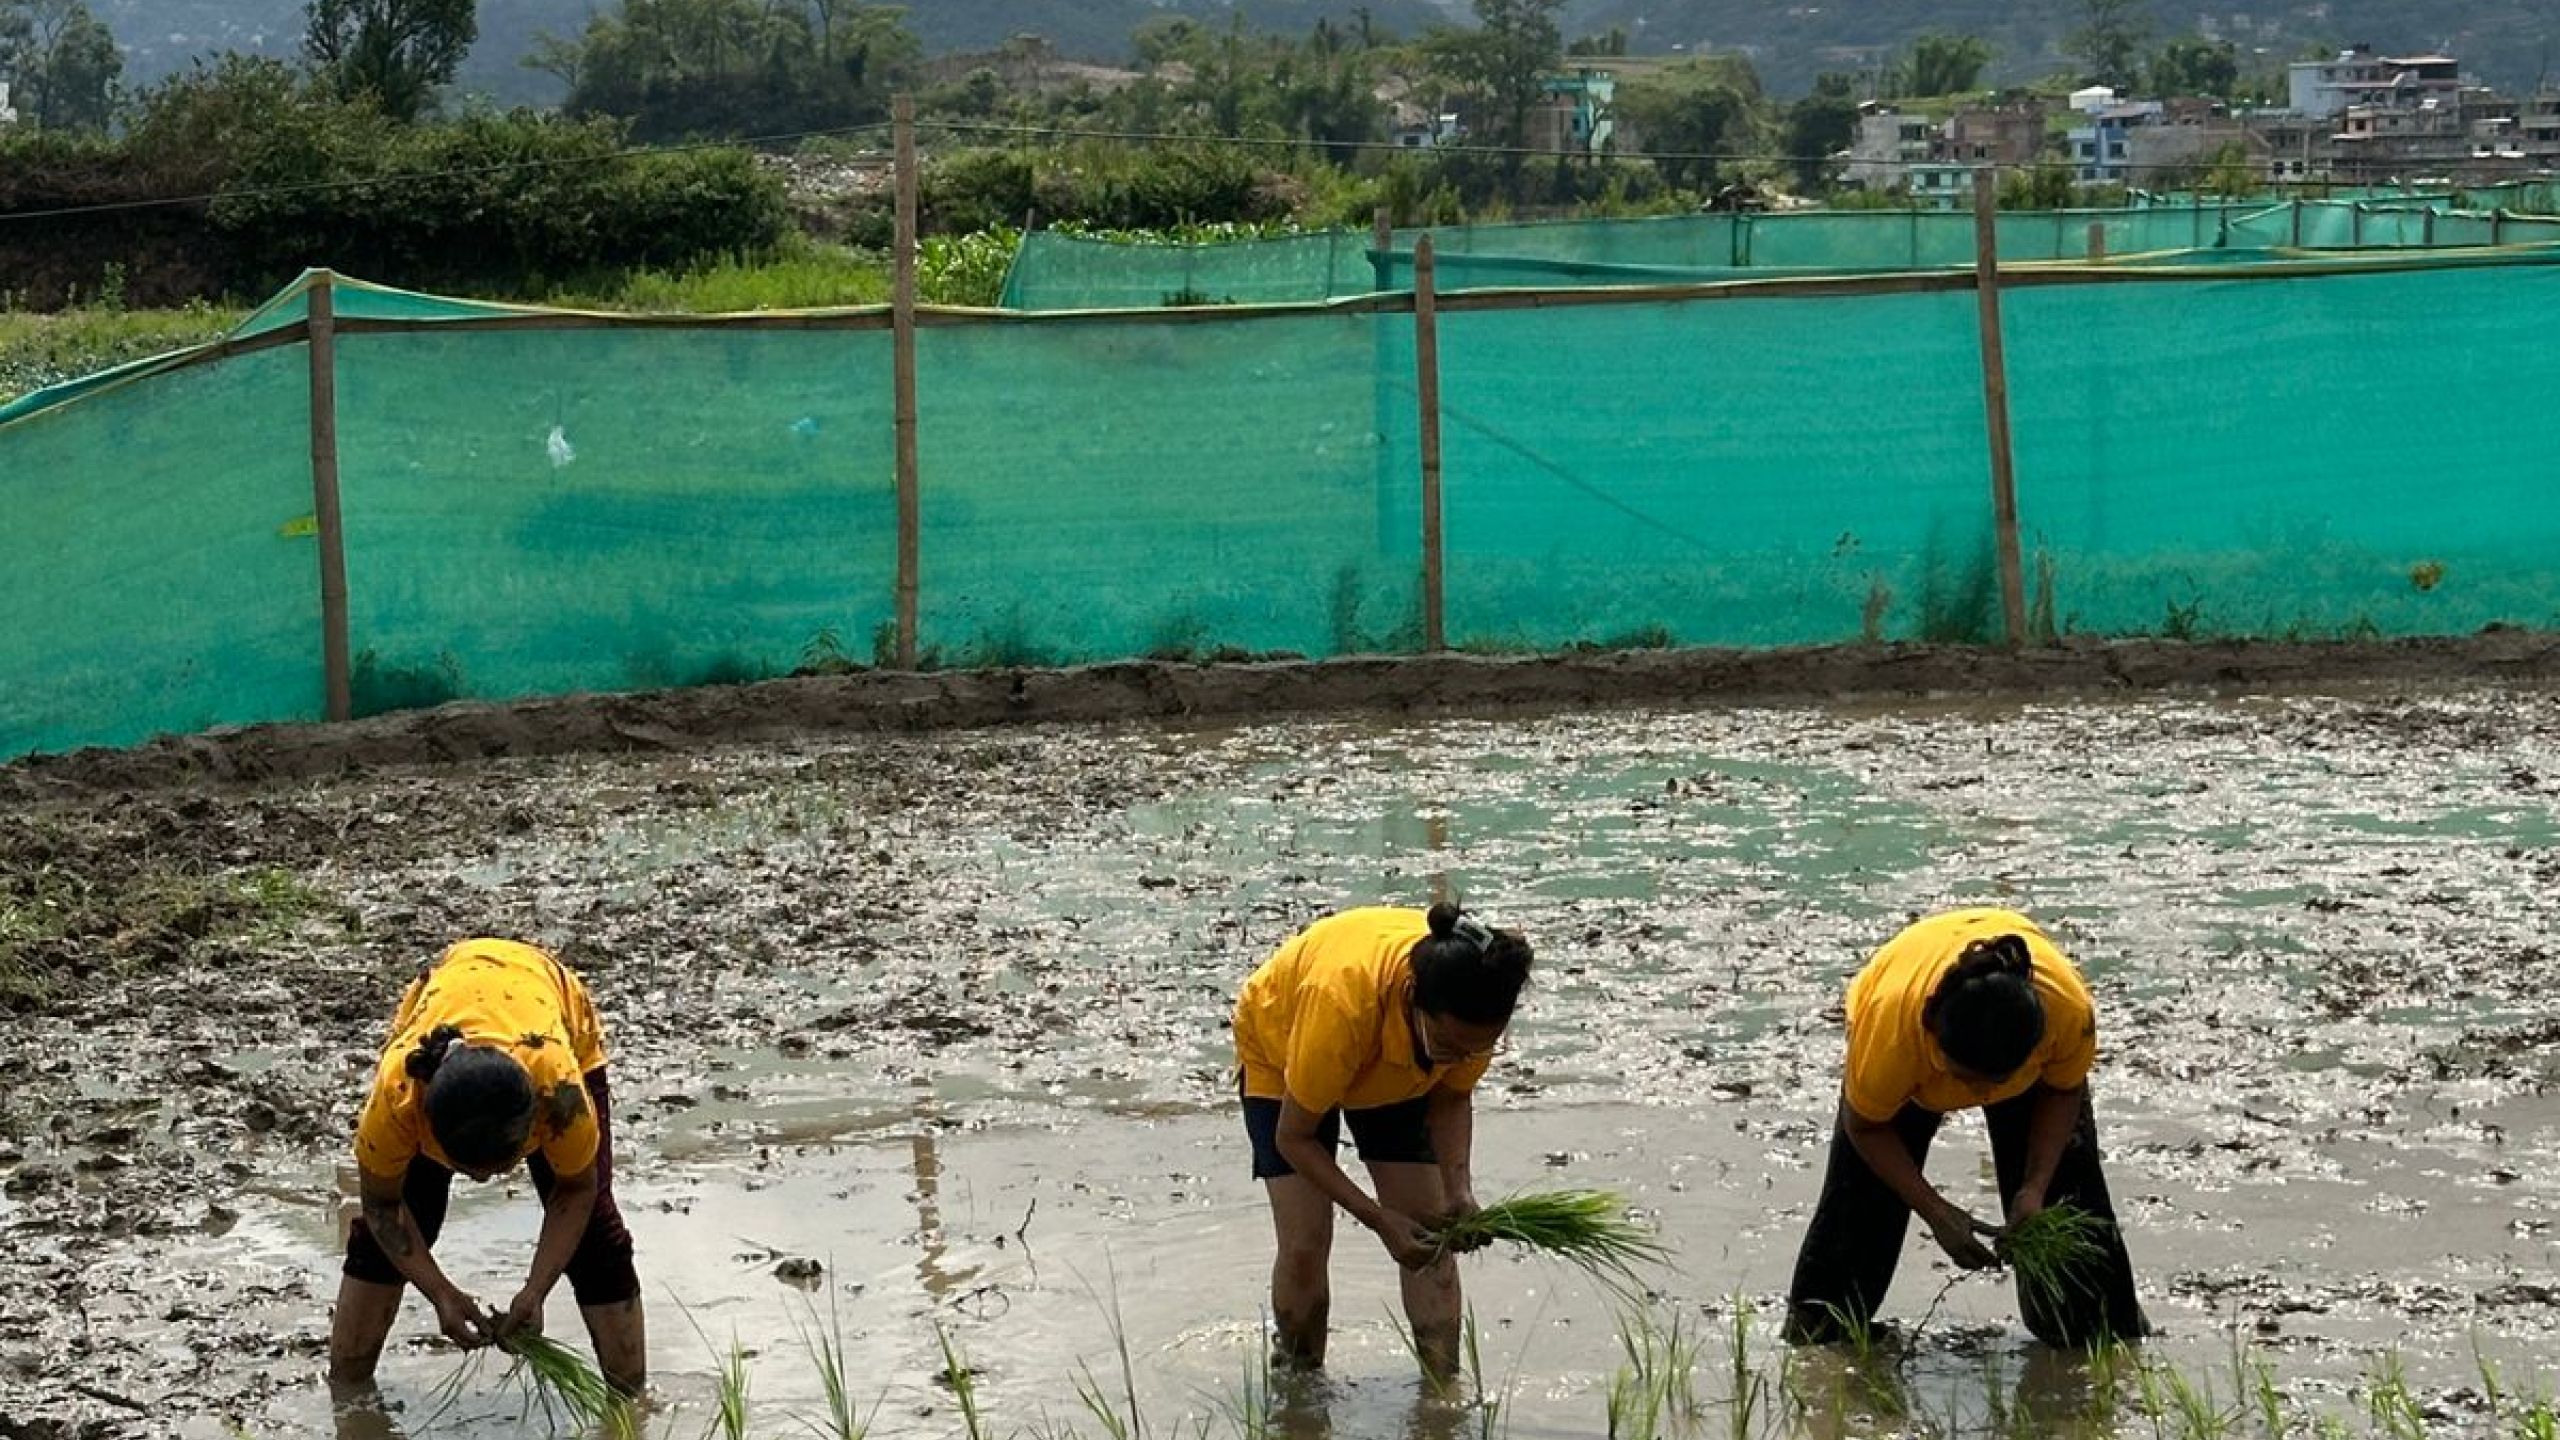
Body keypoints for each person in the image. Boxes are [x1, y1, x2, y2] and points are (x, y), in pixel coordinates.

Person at [1785, 908, 2147, 1347]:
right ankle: (1818, 1333)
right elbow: (1865, 1127)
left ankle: (2102, 1332)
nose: (1976, 1094)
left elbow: (2062, 1090)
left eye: (1991, 1084)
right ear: (1932, 1033)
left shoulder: (2065, 1010)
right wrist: (1935, 1211)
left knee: (2067, 1205)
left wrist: (2034, 1188)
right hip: (1910, 1059)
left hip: (2023, 1071)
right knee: (1858, 1208)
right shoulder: (1893, 1034)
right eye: (1965, 1079)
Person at [327, 939, 646, 1395]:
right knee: (399, 1226)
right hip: (449, 991)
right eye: (470, 1169)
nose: (482, 1181)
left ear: (534, 1125)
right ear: (429, 1130)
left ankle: (630, 1398)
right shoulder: (400, 1096)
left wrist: (536, 1290)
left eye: (503, 1166)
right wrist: (441, 1294)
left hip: (543, 997)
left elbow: (576, 1190)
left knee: (596, 1237)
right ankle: (347, 1390)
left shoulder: (559, 1092)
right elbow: (382, 1206)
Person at [1233, 902, 1534, 1380]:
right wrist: (1377, 1218)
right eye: (1450, 1046)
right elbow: (1295, 1138)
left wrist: (1459, 1192)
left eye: (1476, 1048)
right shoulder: (1339, 1003)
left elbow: (1452, 1100)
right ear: (1413, 998)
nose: (1461, 1058)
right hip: (1285, 1046)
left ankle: (1442, 1391)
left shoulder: (1473, 1007)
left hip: (1397, 1067)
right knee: (1305, 1240)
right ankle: (1299, 1386)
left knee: (1431, 1237)